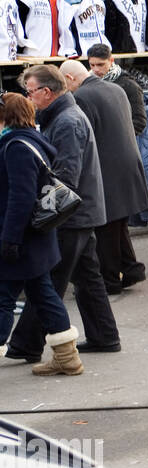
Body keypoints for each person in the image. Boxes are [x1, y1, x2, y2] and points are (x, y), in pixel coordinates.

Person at [6, 65, 118, 368]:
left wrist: (36, 214)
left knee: (49, 281)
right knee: (86, 277)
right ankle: (104, 336)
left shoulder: (67, 120)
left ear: (46, 92)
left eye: (30, 91)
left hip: (70, 214)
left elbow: (65, 175)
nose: (27, 97)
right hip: (81, 210)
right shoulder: (65, 116)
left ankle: (26, 344)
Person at [0, 92, 83, 376]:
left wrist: (9, 240)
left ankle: (67, 357)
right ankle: (67, 357)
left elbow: (20, 198)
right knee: (44, 294)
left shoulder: (16, 147)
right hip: (35, 238)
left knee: (2, 299)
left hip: (20, 239)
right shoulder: (28, 140)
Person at [61, 59, 148, 299]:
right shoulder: (116, 88)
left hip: (106, 168)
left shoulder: (82, 97)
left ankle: (110, 279)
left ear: (70, 79)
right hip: (127, 163)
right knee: (118, 224)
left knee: (106, 228)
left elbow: (83, 136)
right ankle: (131, 268)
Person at [86, 44, 145, 136]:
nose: (95, 69)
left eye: (100, 64)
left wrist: (116, 137)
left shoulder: (129, 86)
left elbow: (139, 121)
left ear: (111, 61)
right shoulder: (87, 83)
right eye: (92, 65)